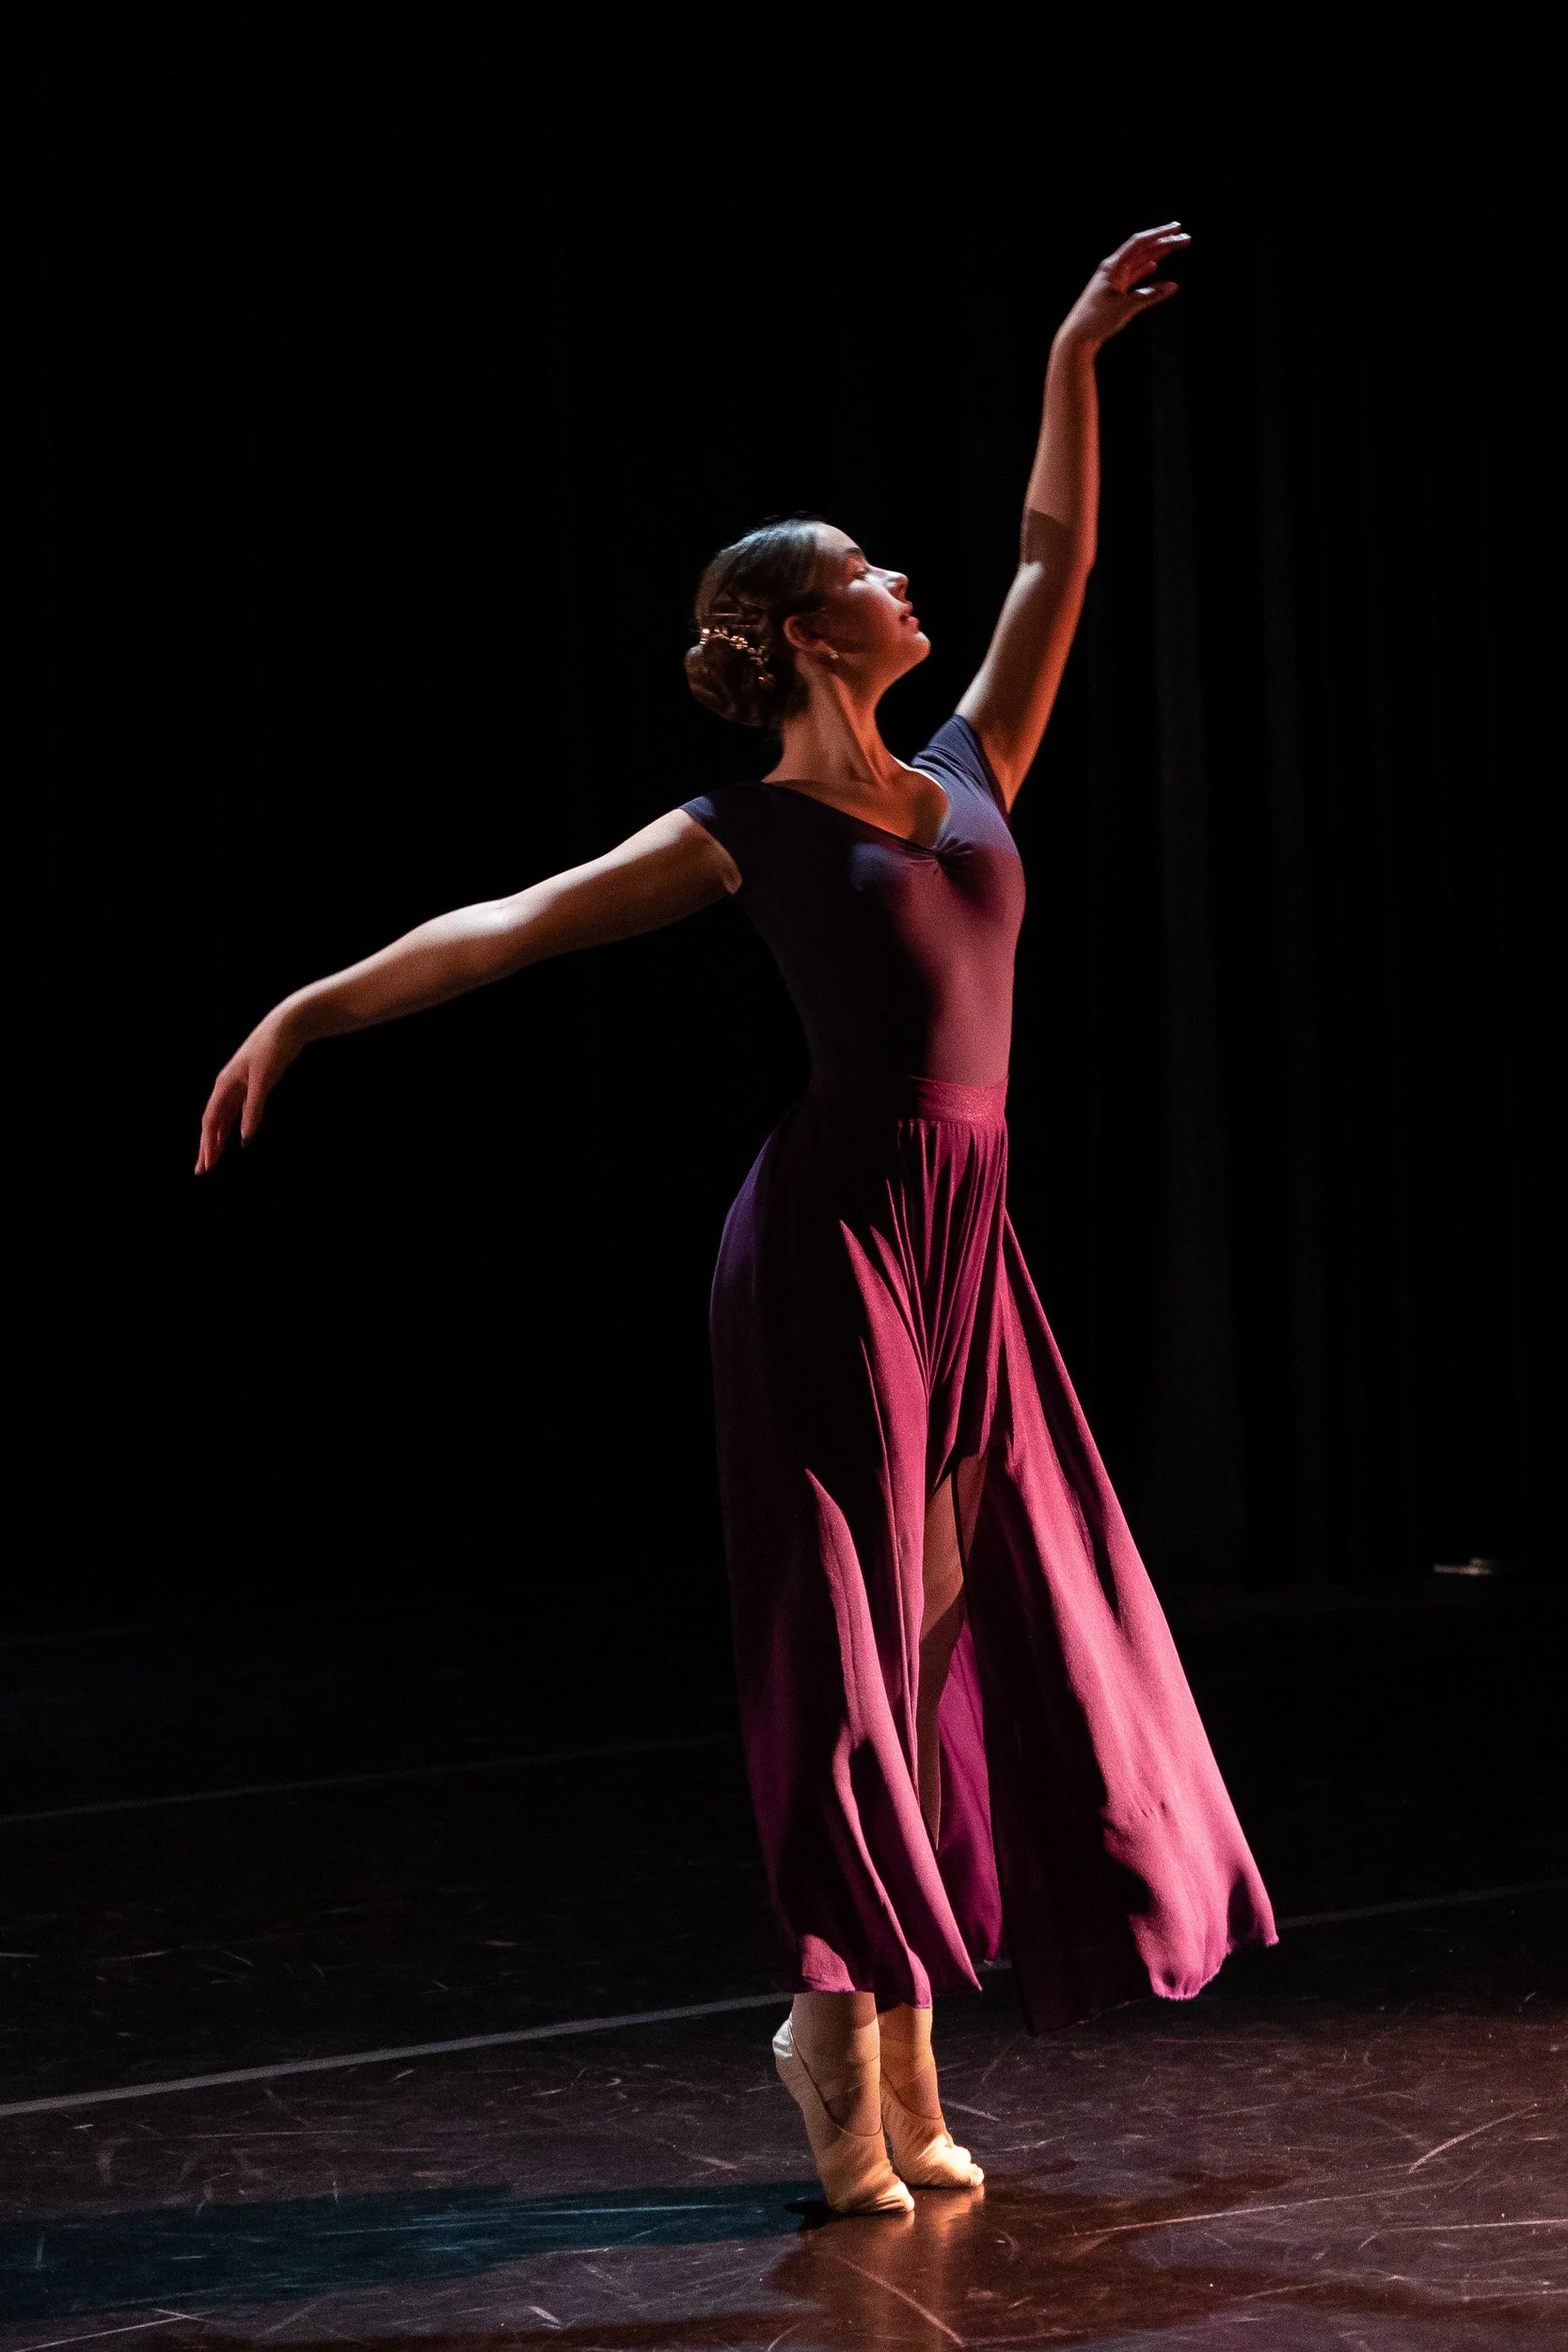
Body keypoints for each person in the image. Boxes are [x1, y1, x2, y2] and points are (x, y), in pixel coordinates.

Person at [198, 223, 1275, 2218]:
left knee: (948, 1640)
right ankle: (829, 2028)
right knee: (848, 1649)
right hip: (829, 1246)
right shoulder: (742, 832)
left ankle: (903, 2033)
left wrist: (1069, 355)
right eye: (865, 568)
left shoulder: (968, 773)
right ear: (795, 634)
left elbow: (1051, 560)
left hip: (969, 1243)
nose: (903, 578)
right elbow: (506, 926)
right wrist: (303, 1007)